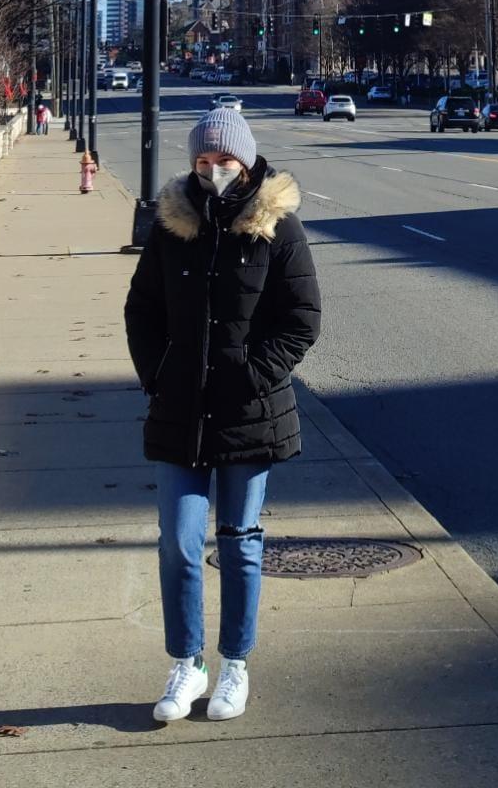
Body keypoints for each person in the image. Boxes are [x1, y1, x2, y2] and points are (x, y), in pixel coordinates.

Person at [124, 109, 321, 725]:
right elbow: (142, 308)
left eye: (224, 162)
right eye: (203, 162)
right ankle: (188, 662)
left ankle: (235, 662)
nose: (213, 172)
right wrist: (158, 374)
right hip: (180, 409)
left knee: (239, 544)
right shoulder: (171, 226)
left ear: (247, 162)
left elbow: (301, 319)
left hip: (250, 413)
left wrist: (253, 378)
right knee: (179, 543)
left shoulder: (277, 228)